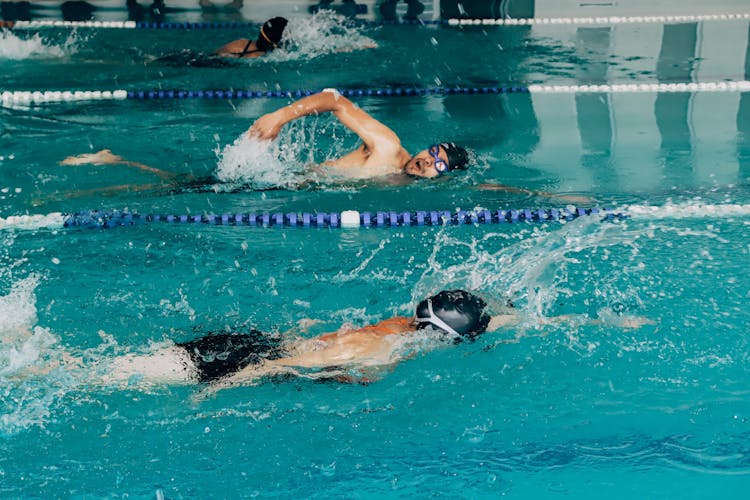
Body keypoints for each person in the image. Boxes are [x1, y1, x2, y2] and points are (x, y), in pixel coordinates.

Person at [57, 90, 590, 202]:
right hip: (275, 183)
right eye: (432, 152)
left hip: (284, 190)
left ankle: (114, 163)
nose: (427, 161)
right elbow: (335, 99)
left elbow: (487, 186)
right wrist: (280, 115)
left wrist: (546, 199)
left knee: (184, 190)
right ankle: (110, 164)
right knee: (178, 192)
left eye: (436, 165)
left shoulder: (413, 186)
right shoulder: (387, 148)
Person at [151, 16, 288, 68]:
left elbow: (215, 53)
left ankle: (152, 60)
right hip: (214, 65)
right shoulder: (261, 57)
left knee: (181, 59)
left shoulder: (241, 43)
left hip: (206, 60)